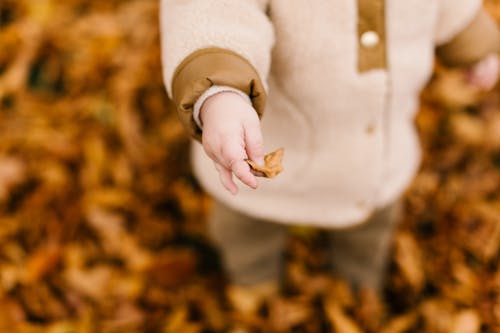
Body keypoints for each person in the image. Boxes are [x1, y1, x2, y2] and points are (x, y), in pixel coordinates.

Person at [160, 0, 500, 301]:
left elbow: (452, 7)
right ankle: (254, 281)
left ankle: (358, 290)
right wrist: (219, 90)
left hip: (374, 152)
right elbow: (213, 10)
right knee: (246, 228)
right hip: (261, 148)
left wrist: (473, 43)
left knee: (369, 231)